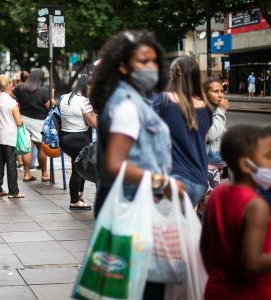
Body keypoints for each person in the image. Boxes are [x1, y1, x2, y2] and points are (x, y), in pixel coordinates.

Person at [91, 30, 185, 299]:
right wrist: (163, 182)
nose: (151, 68)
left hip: (135, 204)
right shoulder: (127, 106)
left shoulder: (134, 100)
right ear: (122, 65)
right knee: (142, 289)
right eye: (143, 62)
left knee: (129, 288)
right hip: (133, 206)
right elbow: (114, 164)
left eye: (154, 61)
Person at [200, 125, 271, 299]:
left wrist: (218, 277)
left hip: (216, 289)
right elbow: (253, 262)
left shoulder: (218, 194)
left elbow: (205, 248)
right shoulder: (256, 207)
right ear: (246, 164)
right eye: (269, 156)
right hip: (248, 294)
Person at [153, 56, 213, 207]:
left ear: (172, 75)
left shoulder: (163, 100)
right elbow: (204, 140)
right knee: (180, 227)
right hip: (199, 180)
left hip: (172, 178)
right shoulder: (206, 107)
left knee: (164, 228)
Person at [59, 74, 97, 210]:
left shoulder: (65, 98)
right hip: (79, 138)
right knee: (78, 169)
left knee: (78, 166)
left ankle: (79, 194)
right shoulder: (83, 101)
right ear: (87, 86)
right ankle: (74, 200)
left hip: (65, 137)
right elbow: (92, 123)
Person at [0, 75, 24, 199]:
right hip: (10, 136)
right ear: (10, 85)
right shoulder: (12, 102)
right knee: (11, 164)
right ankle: (14, 191)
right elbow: (19, 122)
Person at [197, 77, 228, 217]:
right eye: (216, 91)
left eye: (222, 91)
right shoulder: (203, 112)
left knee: (207, 209)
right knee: (209, 210)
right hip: (206, 169)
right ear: (204, 93)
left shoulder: (213, 112)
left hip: (215, 169)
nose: (220, 95)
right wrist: (221, 112)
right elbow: (210, 134)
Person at [13, 69, 51, 182]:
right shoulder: (43, 91)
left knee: (27, 148)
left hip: (24, 120)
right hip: (40, 122)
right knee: (41, 149)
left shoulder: (20, 88)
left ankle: (27, 173)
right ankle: (44, 174)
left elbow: (11, 97)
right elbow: (50, 107)